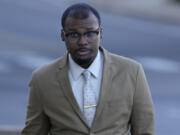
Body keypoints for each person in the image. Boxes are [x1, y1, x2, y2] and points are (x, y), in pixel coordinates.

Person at [21, 3, 155, 135]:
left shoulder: (131, 71)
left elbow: (145, 129)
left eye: (90, 33)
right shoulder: (42, 78)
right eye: (74, 34)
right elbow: (34, 131)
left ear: (100, 33)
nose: (82, 42)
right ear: (63, 35)